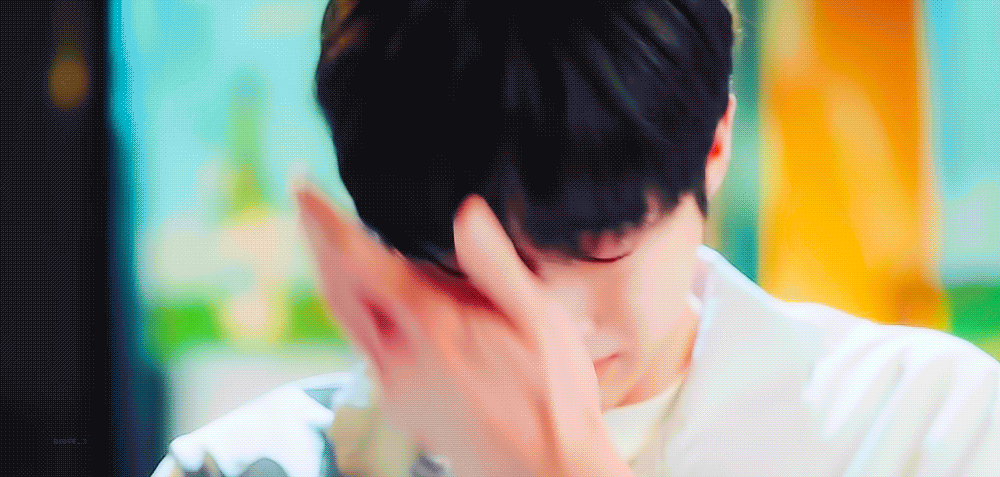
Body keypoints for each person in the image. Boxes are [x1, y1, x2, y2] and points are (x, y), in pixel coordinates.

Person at [152, 1, 1000, 476]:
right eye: (462, 265)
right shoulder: (242, 466)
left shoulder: (927, 428)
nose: (546, 326)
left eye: (599, 244)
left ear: (714, 146)